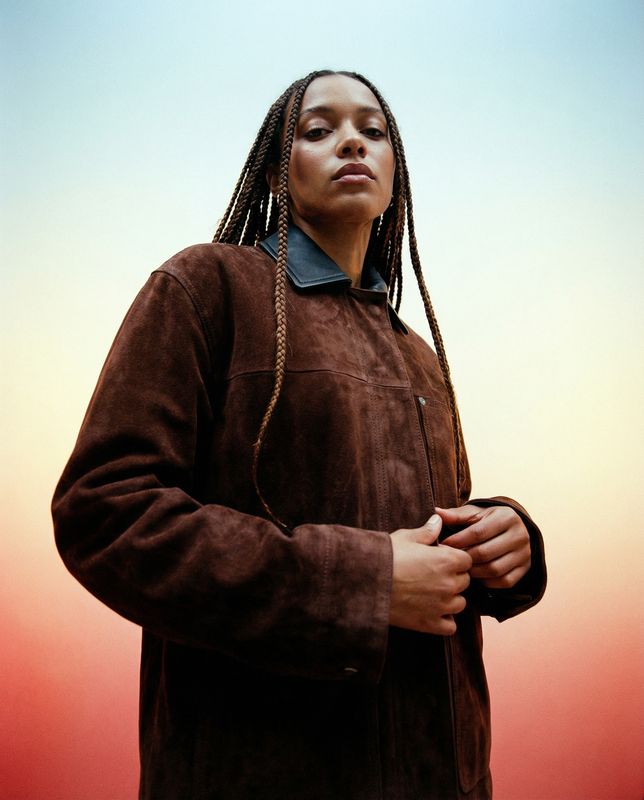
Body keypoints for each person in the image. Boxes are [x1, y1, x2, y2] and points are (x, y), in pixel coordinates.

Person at [52, 70, 546, 800]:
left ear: (393, 171)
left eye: (373, 131)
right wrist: (363, 584)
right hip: (258, 768)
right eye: (318, 130)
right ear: (278, 177)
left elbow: (430, 540)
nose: (352, 140)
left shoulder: (417, 351)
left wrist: (505, 541)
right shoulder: (205, 287)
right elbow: (105, 513)